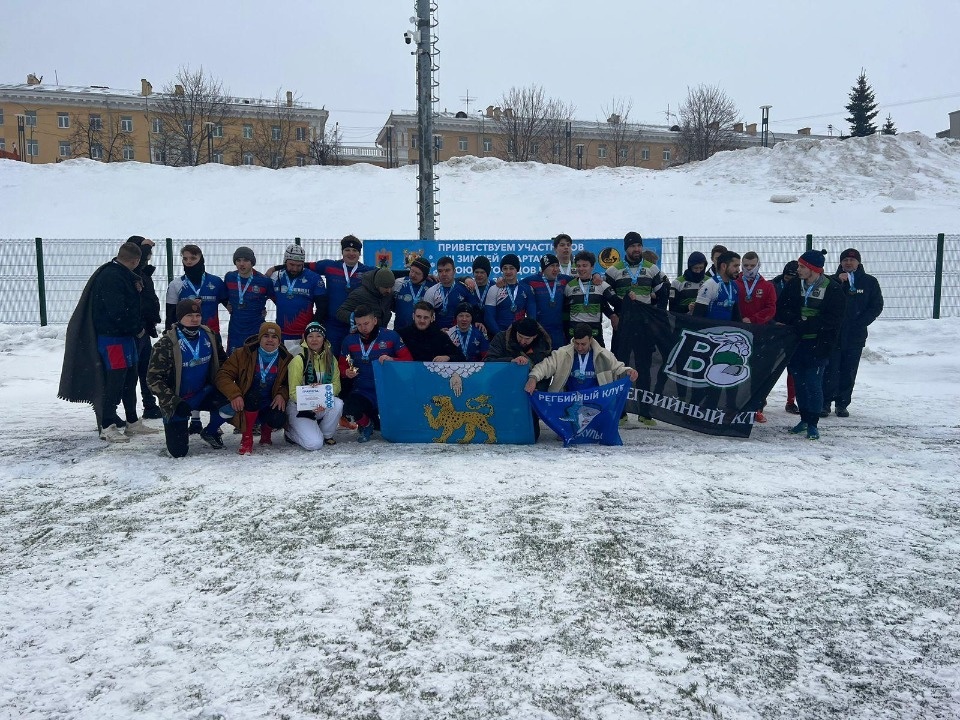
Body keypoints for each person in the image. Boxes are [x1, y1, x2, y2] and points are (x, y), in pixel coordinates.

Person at [58, 241, 159, 442]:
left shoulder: (123, 274)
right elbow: (118, 311)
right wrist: (137, 328)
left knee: (130, 379)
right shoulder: (112, 277)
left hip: (126, 338)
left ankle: (132, 422)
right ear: (135, 261)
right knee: (115, 382)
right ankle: (107, 425)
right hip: (113, 340)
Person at [775, 249, 845, 440]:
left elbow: (833, 319)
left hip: (819, 344)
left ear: (813, 269)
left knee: (813, 383)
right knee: (799, 383)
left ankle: (813, 423)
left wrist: (808, 325)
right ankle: (804, 419)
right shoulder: (795, 284)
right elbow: (782, 308)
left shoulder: (832, 288)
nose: (798, 270)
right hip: (796, 342)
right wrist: (796, 322)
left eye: (801, 266)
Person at [147, 298, 229, 457]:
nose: (194, 319)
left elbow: (224, 363)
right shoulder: (166, 343)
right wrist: (174, 402)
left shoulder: (209, 335)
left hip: (204, 392)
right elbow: (153, 379)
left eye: (198, 315)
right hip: (178, 399)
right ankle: (178, 426)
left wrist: (231, 388)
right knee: (178, 452)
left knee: (233, 403)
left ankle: (211, 431)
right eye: (189, 315)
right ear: (179, 318)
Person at [821, 248, 884, 417]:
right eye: (845, 260)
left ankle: (842, 404)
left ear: (858, 262)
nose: (848, 263)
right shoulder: (830, 281)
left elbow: (876, 306)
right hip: (833, 334)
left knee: (848, 371)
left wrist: (860, 322)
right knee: (830, 370)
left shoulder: (869, 282)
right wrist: (838, 282)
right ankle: (825, 403)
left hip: (855, 336)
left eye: (852, 260)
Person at [338, 304, 413, 442]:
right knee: (348, 408)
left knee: (398, 423)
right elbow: (342, 365)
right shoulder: (349, 340)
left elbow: (408, 360)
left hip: (387, 389)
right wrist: (346, 372)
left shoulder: (391, 336)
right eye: (359, 324)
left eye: (366, 323)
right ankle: (367, 424)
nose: (363, 328)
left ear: (374, 320)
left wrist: (392, 360)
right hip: (363, 390)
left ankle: (381, 421)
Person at [215, 322, 292, 455]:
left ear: (279, 341)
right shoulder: (242, 354)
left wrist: (282, 394)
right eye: (266, 336)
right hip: (247, 401)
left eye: (274, 337)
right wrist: (234, 394)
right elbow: (223, 375)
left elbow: (289, 383)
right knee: (252, 397)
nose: (270, 340)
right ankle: (247, 437)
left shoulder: (286, 358)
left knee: (279, 417)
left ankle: (266, 433)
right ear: (259, 338)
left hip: (269, 401)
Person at [305, 235, 374, 358]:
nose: (351, 253)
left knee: (354, 360)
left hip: (356, 326)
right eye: (347, 250)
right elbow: (301, 265)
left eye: (355, 250)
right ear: (342, 252)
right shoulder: (330, 266)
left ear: (359, 253)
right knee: (331, 359)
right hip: (332, 325)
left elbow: (389, 276)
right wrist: (274, 269)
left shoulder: (368, 271)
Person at [487, 316, 552, 440]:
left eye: (527, 339)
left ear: (535, 337)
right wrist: (510, 361)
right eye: (520, 336)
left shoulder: (543, 346)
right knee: (499, 433)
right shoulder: (501, 338)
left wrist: (539, 389)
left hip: (528, 393)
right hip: (503, 390)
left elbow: (546, 373)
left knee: (531, 436)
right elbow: (489, 361)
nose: (522, 341)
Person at [525, 322, 639, 393]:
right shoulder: (562, 354)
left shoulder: (604, 355)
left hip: (596, 402)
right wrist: (533, 378)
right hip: (568, 402)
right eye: (577, 343)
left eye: (583, 344)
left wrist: (628, 372)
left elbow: (617, 369)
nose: (579, 347)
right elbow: (545, 366)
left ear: (590, 339)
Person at [285, 322, 345, 449]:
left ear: (324, 338)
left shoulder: (331, 359)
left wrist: (322, 393)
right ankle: (290, 432)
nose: (314, 340)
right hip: (299, 407)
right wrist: (310, 402)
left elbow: (337, 386)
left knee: (338, 403)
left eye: (318, 336)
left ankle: (326, 434)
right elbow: (293, 392)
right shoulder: (299, 360)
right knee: (314, 444)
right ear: (305, 339)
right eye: (310, 336)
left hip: (321, 405)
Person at [736, 251, 777, 423]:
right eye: (745, 265)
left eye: (752, 266)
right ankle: (733, 406)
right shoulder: (734, 283)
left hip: (759, 334)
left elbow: (771, 308)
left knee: (757, 373)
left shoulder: (767, 286)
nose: (749, 269)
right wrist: (739, 319)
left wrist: (753, 319)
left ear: (758, 265)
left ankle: (757, 408)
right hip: (737, 333)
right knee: (735, 370)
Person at [126, 235, 164, 419]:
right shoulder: (130, 274)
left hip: (144, 328)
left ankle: (149, 405)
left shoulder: (143, 274)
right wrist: (145, 247)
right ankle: (130, 412)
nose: (148, 256)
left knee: (146, 370)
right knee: (132, 373)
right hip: (134, 330)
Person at [273, 244, 328, 354]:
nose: (295, 268)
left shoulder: (314, 278)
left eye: (299, 265)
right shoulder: (276, 277)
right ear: (285, 261)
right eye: (291, 264)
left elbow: (322, 307)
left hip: (304, 335)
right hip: (281, 334)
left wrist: (310, 331)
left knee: (302, 364)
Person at [165, 244, 229, 335]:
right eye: (185, 259)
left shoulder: (216, 282)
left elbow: (232, 308)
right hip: (185, 337)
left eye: (193, 258)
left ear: (201, 259)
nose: (188, 262)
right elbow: (170, 317)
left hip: (211, 335)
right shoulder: (176, 284)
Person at [223, 246, 275, 354]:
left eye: (246, 260)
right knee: (234, 361)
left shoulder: (264, 281)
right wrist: (226, 304)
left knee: (254, 361)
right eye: (238, 260)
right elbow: (221, 295)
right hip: (235, 331)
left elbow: (279, 301)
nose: (241, 264)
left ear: (252, 262)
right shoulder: (229, 277)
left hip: (255, 330)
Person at [564, 250, 619, 346]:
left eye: (584, 265)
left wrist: (612, 315)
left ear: (592, 267)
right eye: (578, 266)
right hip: (575, 338)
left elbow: (616, 303)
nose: (581, 269)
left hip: (595, 336)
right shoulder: (569, 286)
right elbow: (565, 311)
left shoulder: (601, 285)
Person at [524, 253, 569, 350]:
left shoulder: (564, 279)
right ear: (543, 268)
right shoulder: (531, 281)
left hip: (559, 332)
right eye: (552, 266)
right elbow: (512, 283)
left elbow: (582, 280)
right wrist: (501, 280)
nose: (556, 269)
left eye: (557, 266)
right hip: (540, 331)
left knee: (559, 357)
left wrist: (596, 275)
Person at [772, 260, 801, 414]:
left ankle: (791, 401)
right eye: (787, 276)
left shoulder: (803, 287)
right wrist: (773, 322)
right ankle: (760, 401)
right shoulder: (773, 285)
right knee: (769, 368)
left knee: (793, 369)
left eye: (792, 277)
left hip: (793, 332)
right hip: (775, 332)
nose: (789, 279)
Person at [484, 254, 536, 336]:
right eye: (505, 268)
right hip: (499, 335)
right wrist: (500, 336)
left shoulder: (527, 289)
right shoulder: (494, 289)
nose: (508, 272)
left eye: (511, 268)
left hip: (520, 336)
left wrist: (524, 334)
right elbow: (489, 317)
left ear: (517, 270)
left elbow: (532, 316)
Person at [398, 301, 466, 362]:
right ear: (413, 316)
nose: (422, 321)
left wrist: (448, 357)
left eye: (426, 317)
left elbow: (461, 357)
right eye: (418, 316)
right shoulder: (401, 334)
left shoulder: (440, 336)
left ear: (432, 318)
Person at [423, 256, 473, 329]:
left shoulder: (464, 289)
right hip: (438, 333)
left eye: (447, 270)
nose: (444, 274)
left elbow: (472, 312)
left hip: (460, 332)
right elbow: (425, 318)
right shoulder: (431, 292)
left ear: (454, 271)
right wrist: (437, 332)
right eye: (440, 271)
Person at [693, 251, 742, 320]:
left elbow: (736, 316)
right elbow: (697, 317)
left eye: (738, 266)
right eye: (735, 266)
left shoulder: (734, 286)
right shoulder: (709, 285)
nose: (738, 270)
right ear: (724, 266)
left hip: (727, 327)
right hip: (710, 327)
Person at [392, 255, 434, 331]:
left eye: (417, 273)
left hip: (422, 332)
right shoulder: (399, 283)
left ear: (425, 275)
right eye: (412, 271)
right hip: (400, 331)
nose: (413, 275)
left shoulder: (432, 287)